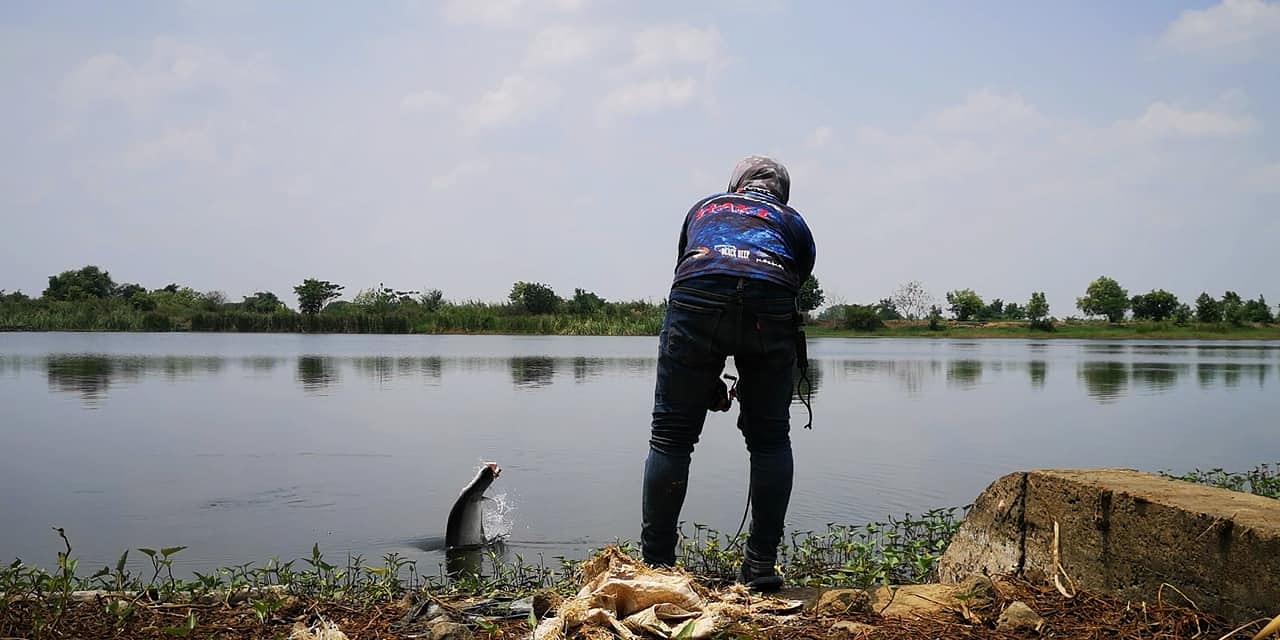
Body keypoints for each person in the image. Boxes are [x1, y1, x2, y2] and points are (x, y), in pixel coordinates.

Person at [641, 155, 816, 592]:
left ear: (735, 186)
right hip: (770, 300)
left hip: (699, 294)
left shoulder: (705, 207)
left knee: (671, 438)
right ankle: (760, 567)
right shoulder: (792, 221)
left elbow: (690, 268)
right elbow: (797, 279)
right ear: (781, 193)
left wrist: (703, 380)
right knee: (771, 438)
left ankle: (657, 569)